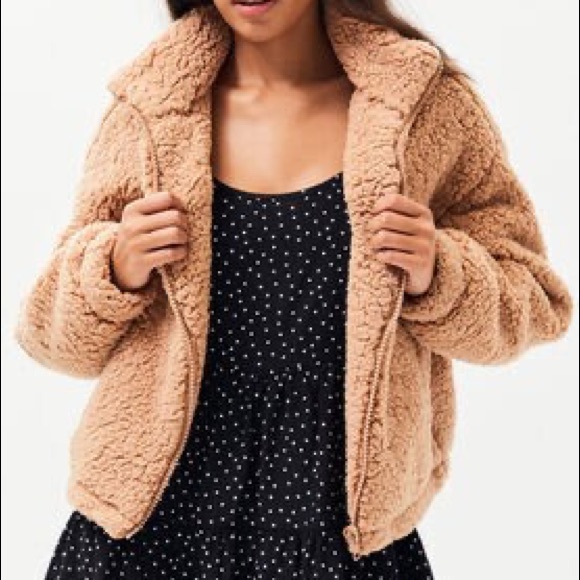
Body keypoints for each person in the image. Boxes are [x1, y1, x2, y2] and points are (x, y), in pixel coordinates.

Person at [14, 0, 573, 578]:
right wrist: (113, 265)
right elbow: (48, 337)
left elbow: (537, 299)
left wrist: (441, 271)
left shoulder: (423, 107)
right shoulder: (150, 110)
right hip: (146, 535)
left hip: (341, 538)